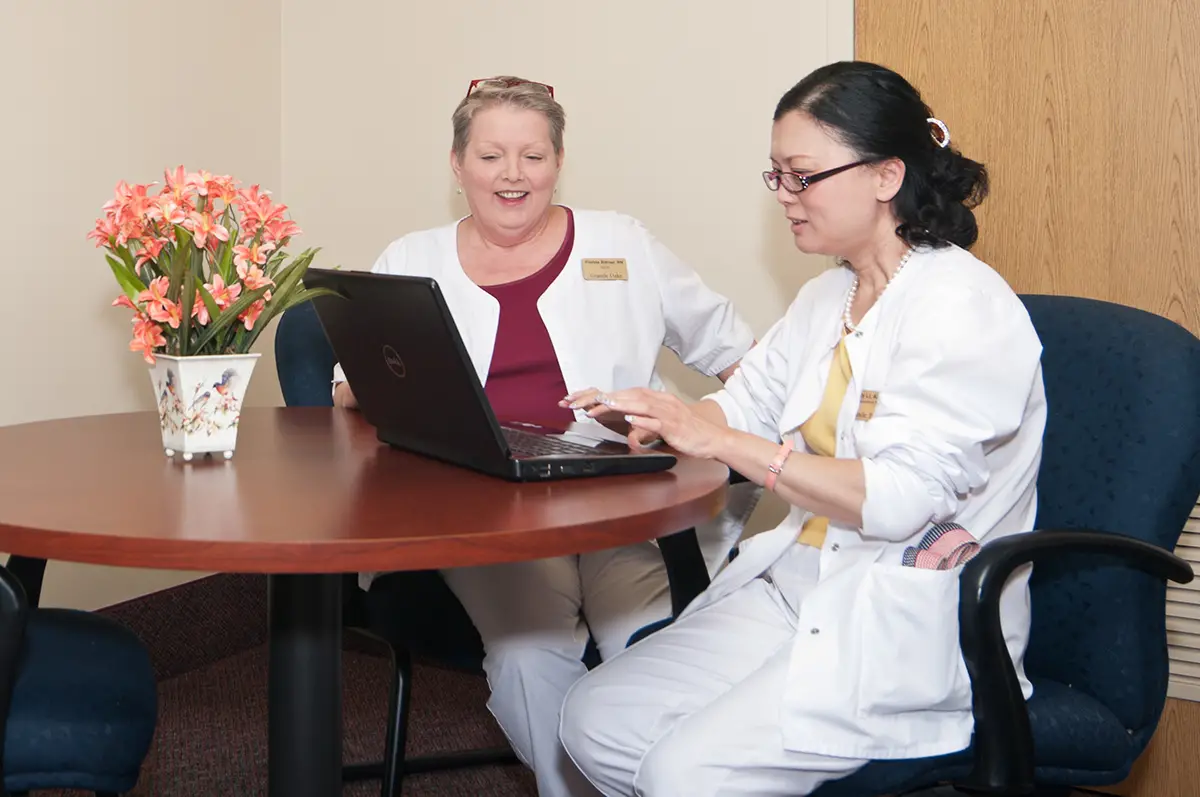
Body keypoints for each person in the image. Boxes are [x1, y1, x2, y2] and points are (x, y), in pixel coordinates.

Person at [558, 60, 1047, 797]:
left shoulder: (962, 308)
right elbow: (745, 406)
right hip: (799, 584)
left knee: (679, 773)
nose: (785, 197)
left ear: (886, 175)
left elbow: (896, 498)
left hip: (908, 616)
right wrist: (668, 419)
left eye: (802, 175)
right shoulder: (831, 294)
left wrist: (721, 441)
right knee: (594, 719)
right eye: (776, 175)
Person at [330, 76, 758, 797]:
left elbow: (744, 360)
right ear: (457, 163)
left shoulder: (623, 242)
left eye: (533, 155)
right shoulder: (412, 255)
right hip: (485, 514)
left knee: (657, 649)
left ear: (559, 161)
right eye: (491, 155)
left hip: (617, 499)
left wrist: (687, 422)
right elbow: (352, 389)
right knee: (530, 654)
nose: (512, 175)